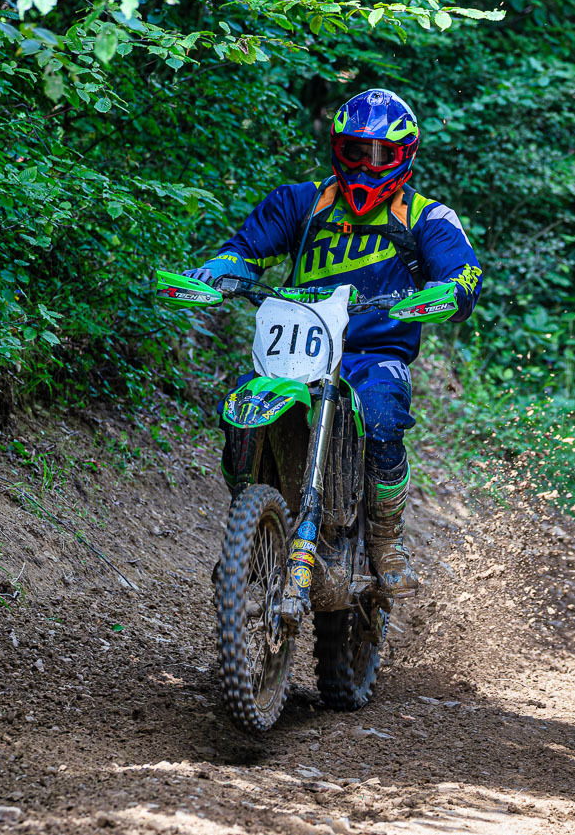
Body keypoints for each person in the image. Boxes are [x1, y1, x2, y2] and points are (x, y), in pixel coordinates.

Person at [184, 89, 483, 597]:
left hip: (374, 353)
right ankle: (251, 524)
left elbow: (463, 272)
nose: (367, 165)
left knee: (382, 417)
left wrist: (448, 292)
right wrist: (218, 271)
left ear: (405, 156)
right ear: (336, 149)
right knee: (241, 407)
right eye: (355, 151)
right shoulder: (300, 202)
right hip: (297, 349)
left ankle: (386, 540)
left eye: (381, 155)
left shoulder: (428, 218)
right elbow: (244, 250)